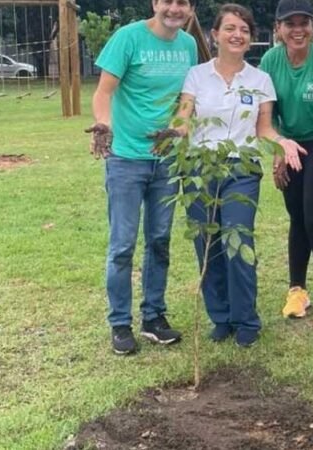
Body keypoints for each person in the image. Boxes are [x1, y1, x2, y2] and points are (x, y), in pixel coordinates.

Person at [86, 0, 198, 354]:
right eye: (168, 1)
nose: (174, 9)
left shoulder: (188, 45)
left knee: (160, 239)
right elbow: (104, 91)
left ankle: (153, 317)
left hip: (166, 160)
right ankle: (120, 323)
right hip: (126, 159)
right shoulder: (128, 38)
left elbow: (187, 98)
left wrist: (178, 127)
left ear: (190, 8)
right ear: (155, 3)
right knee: (122, 245)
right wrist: (104, 123)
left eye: (182, 2)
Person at [170, 4, 277, 347]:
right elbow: (184, 117)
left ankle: (246, 320)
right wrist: (174, 132)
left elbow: (264, 129)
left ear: (251, 38)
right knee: (207, 244)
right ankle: (221, 317)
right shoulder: (197, 75)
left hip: (242, 168)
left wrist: (283, 144)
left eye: (244, 30)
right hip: (201, 167)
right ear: (215, 35)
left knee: (237, 237)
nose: (237, 35)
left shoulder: (260, 80)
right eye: (230, 28)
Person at [258, 0, 313, 327]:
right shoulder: (270, 61)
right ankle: (297, 291)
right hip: (289, 143)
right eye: (290, 23)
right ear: (278, 28)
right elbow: (268, 116)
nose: (298, 30)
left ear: (312, 25)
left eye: (303, 23)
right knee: (297, 217)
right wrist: (279, 152)